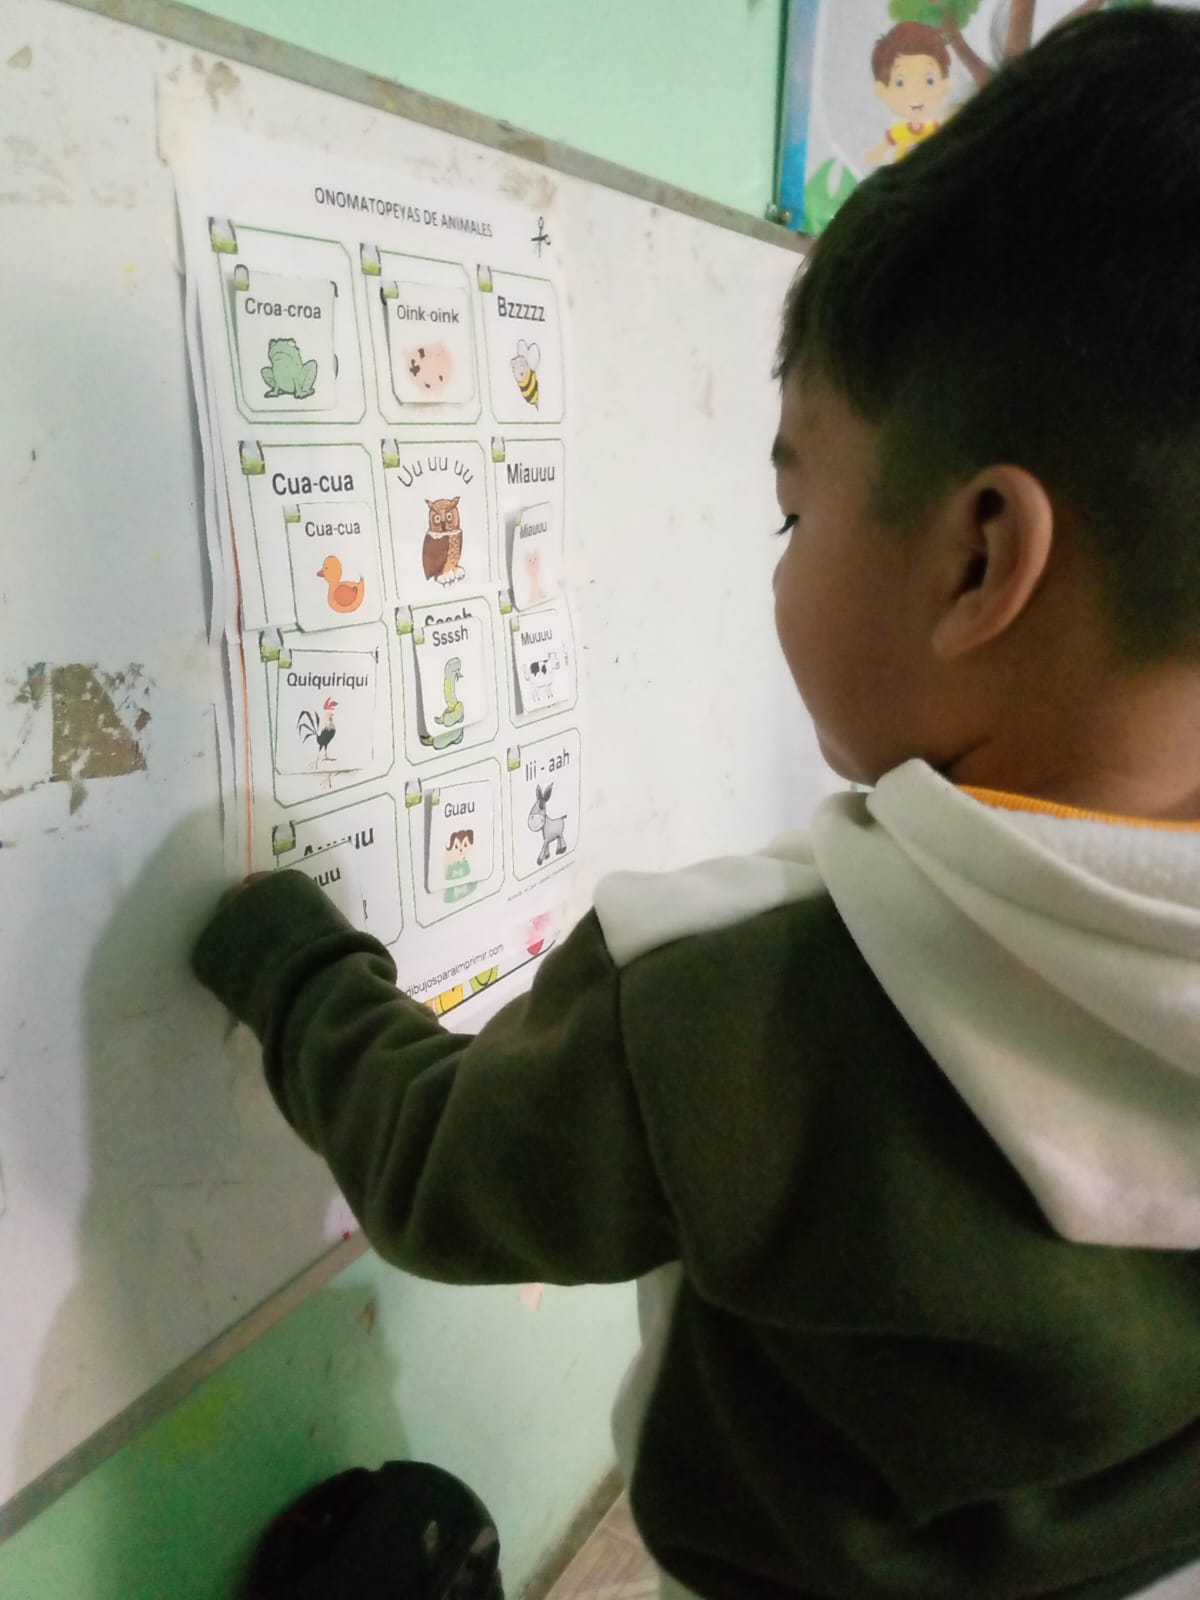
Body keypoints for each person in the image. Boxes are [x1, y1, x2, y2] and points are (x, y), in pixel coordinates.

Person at [193, 12, 1200, 1597]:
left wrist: (288, 960)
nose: (779, 561)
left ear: (978, 562)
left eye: (793, 507)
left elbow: (437, 1171)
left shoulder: (744, 1003)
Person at [867, 21, 953, 166]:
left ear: (945, 84)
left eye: (929, 80)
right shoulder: (900, 131)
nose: (916, 92)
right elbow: (883, 148)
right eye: (900, 83)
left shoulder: (935, 128)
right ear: (882, 91)